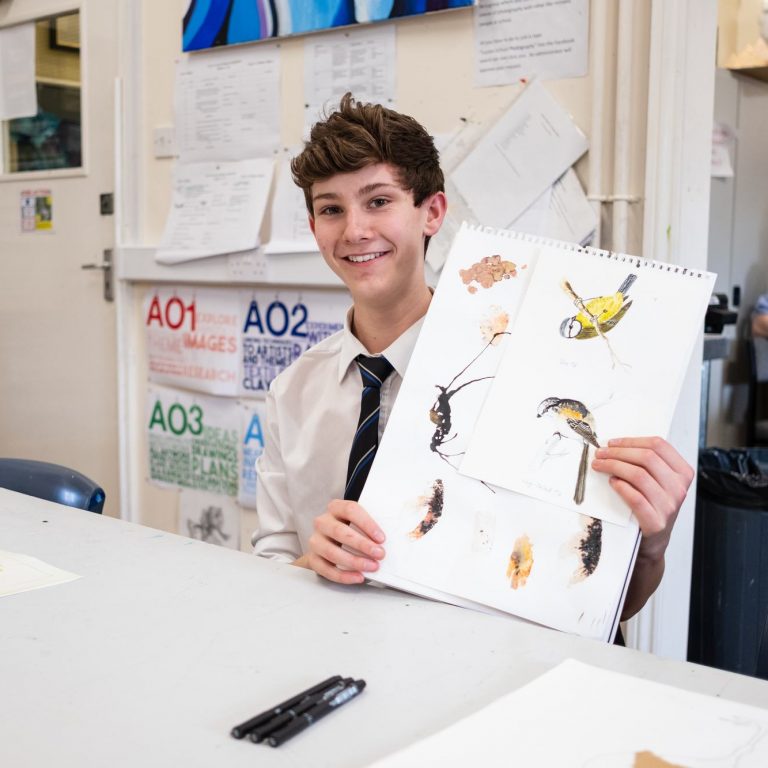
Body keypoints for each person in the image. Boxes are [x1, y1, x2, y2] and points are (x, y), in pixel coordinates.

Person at [253, 93, 694, 622]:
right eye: (331, 209)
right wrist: (310, 562)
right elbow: (269, 573)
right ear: (314, 227)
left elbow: (606, 605)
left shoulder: (525, 374)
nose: (354, 231)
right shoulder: (292, 393)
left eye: (378, 201)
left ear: (432, 213)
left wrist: (649, 545)